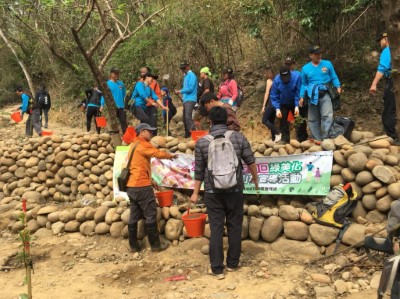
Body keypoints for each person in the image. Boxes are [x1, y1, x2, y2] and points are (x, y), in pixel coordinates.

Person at [191, 106, 259, 279]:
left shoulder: (202, 142)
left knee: (216, 228)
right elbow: (250, 161)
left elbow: (199, 171)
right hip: (235, 189)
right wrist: (256, 180)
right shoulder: (238, 137)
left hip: (213, 191)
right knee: (235, 226)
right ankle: (233, 264)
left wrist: (195, 192)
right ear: (227, 120)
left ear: (210, 121)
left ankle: (217, 269)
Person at [126, 123, 177, 253]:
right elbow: (156, 153)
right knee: (151, 214)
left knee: (134, 215)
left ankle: (133, 246)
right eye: (150, 131)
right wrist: (170, 156)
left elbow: (137, 166)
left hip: (131, 186)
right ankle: (155, 245)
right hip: (141, 186)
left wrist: (151, 180)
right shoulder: (143, 144)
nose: (152, 134)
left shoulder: (133, 145)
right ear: (142, 132)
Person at [299, 46, 341, 142]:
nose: (319, 55)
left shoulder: (327, 64)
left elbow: (333, 76)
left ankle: (327, 138)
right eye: (316, 54)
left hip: (325, 93)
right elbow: (304, 84)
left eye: (320, 53)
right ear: (311, 55)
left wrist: (338, 86)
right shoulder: (305, 68)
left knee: (327, 115)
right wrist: (301, 97)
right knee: (313, 119)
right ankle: (317, 139)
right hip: (311, 95)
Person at [369, 32, 399, 144]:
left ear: (386, 39)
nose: (379, 43)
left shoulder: (388, 50)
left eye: (380, 40)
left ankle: (394, 137)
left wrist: (374, 84)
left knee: (389, 111)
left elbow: (382, 67)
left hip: (394, 81)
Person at [269, 66, 302, 144]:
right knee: (283, 120)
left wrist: (297, 105)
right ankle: (285, 139)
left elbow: (299, 91)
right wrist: (277, 108)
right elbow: (274, 95)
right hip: (283, 103)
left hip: (294, 101)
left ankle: (302, 138)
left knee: (299, 120)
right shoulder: (277, 80)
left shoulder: (297, 77)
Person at [285, 57, 308, 142]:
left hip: (297, 100)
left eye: (289, 64)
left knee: (299, 119)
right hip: (293, 101)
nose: (289, 66)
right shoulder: (286, 74)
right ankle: (300, 137)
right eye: (287, 64)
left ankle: (302, 138)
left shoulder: (298, 74)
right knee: (297, 119)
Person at [175, 61, 198, 138]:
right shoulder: (186, 76)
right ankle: (187, 134)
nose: (183, 70)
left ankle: (194, 133)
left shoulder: (192, 75)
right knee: (185, 118)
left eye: (184, 68)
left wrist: (180, 91)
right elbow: (186, 88)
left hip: (191, 99)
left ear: (188, 67)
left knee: (188, 116)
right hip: (186, 99)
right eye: (182, 68)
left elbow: (190, 88)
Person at [139, 66, 162, 135]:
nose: (142, 73)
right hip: (143, 106)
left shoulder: (154, 82)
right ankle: (144, 137)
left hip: (152, 106)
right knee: (143, 123)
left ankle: (154, 137)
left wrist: (158, 103)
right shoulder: (139, 82)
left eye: (144, 72)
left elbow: (158, 93)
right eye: (141, 72)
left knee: (153, 122)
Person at [261, 67, 281, 142]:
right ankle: (274, 138)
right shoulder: (276, 80)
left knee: (264, 120)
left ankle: (277, 133)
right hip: (277, 103)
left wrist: (263, 106)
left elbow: (267, 93)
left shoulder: (269, 81)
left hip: (271, 102)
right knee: (271, 121)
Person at [106, 67, 127, 134]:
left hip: (121, 106)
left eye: (118, 73)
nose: (117, 75)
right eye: (115, 73)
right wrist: (102, 104)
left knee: (123, 121)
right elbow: (105, 95)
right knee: (113, 123)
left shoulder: (121, 84)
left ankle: (126, 137)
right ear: (111, 74)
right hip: (112, 107)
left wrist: (123, 101)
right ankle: (114, 138)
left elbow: (124, 93)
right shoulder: (107, 84)